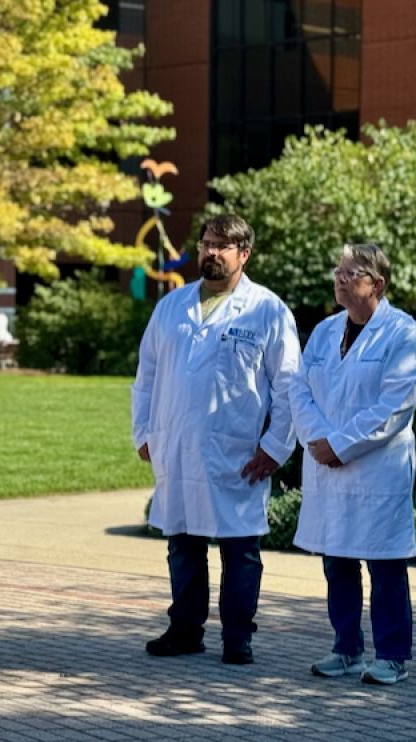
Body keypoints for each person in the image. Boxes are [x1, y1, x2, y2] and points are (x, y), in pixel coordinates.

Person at [131, 212, 300, 665]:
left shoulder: (266, 309)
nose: (211, 252)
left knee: (239, 547)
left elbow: (288, 386)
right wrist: (143, 431)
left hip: (238, 451)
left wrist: (275, 446)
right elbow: (146, 374)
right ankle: (185, 629)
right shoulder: (172, 306)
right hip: (177, 445)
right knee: (182, 542)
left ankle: (238, 637)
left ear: (244, 254)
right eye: (207, 243)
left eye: (222, 246)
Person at [291, 244, 416, 686]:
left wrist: (339, 444)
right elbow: (299, 389)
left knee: (384, 563)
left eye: (352, 273)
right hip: (327, 463)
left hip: (376, 467)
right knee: (337, 561)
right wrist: (318, 439)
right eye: (339, 271)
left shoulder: (403, 334)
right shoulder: (325, 331)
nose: (341, 279)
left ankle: (392, 654)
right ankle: (346, 648)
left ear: (378, 284)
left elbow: (395, 406)